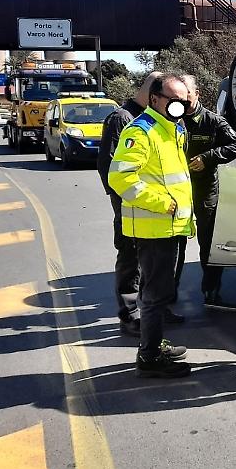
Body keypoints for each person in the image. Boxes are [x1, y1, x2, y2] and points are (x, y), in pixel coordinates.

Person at [108, 73, 195, 377]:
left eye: (184, 100)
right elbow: (119, 177)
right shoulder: (142, 131)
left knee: (158, 292)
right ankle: (150, 357)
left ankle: (154, 344)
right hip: (154, 227)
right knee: (156, 295)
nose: (180, 105)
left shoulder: (171, 129)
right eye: (174, 100)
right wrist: (162, 203)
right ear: (156, 100)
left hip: (171, 227)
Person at [175, 74, 236, 303]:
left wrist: (209, 157)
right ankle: (168, 292)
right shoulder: (171, 119)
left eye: (187, 95)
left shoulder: (213, 121)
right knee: (175, 244)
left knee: (208, 242)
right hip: (176, 191)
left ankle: (211, 287)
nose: (183, 100)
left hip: (205, 190)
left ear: (197, 94)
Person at [98, 74, 157, 336]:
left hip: (149, 205)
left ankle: (152, 309)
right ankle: (129, 316)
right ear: (151, 92)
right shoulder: (122, 118)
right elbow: (109, 166)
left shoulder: (151, 119)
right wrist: (124, 201)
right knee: (130, 258)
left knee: (147, 259)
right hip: (128, 204)